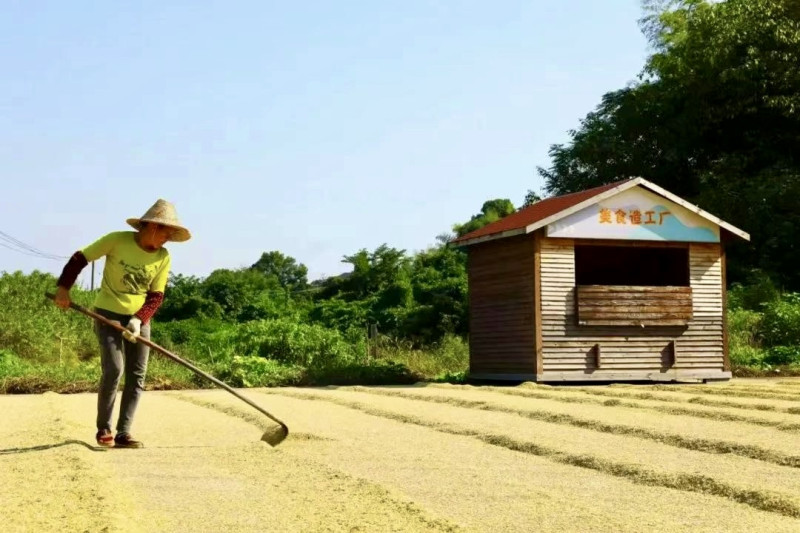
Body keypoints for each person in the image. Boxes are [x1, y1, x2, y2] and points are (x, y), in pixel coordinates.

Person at [53, 199, 190, 448]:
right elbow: (80, 258)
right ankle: (103, 428)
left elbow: (156, 296)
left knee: (137, 375)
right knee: (114, 369)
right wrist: (64, 289)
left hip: (138, 318)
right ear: (152, 227)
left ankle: (123, 432)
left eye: (171, 235)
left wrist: (139, 320)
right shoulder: (117, 240)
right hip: (107, 313)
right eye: (166, 233)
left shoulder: (163, 256)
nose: (167, 239)